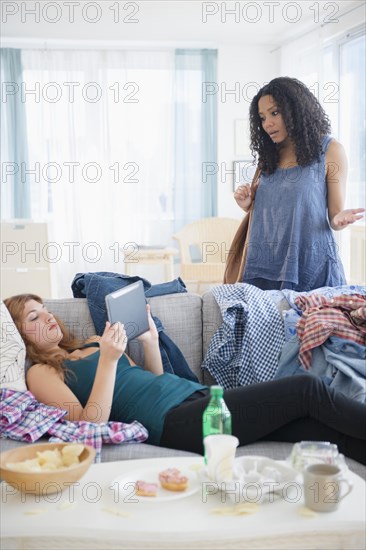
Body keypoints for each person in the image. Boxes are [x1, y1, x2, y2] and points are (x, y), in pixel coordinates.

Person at [4, 293, 366, 465]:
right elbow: (90, 423)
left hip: (193, 396)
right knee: (306, 389)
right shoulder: (42, 372)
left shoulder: (94, 342)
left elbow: (152, 380)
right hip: (175, 423)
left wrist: (150, 342)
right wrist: (109, 362)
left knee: (316, 427)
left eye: (46, 310)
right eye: (34, 317)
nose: (48, 318)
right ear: (19, 335)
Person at [233, 76, 365, 291]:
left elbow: (334, 216)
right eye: (262, 117)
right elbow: (269, 208)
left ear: (296, 109)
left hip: (311, 268)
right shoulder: (268, 156)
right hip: (265, 269)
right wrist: (247, 203)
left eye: (275, 113)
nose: (267, 124)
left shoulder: (330, 150)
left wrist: (339, 219)